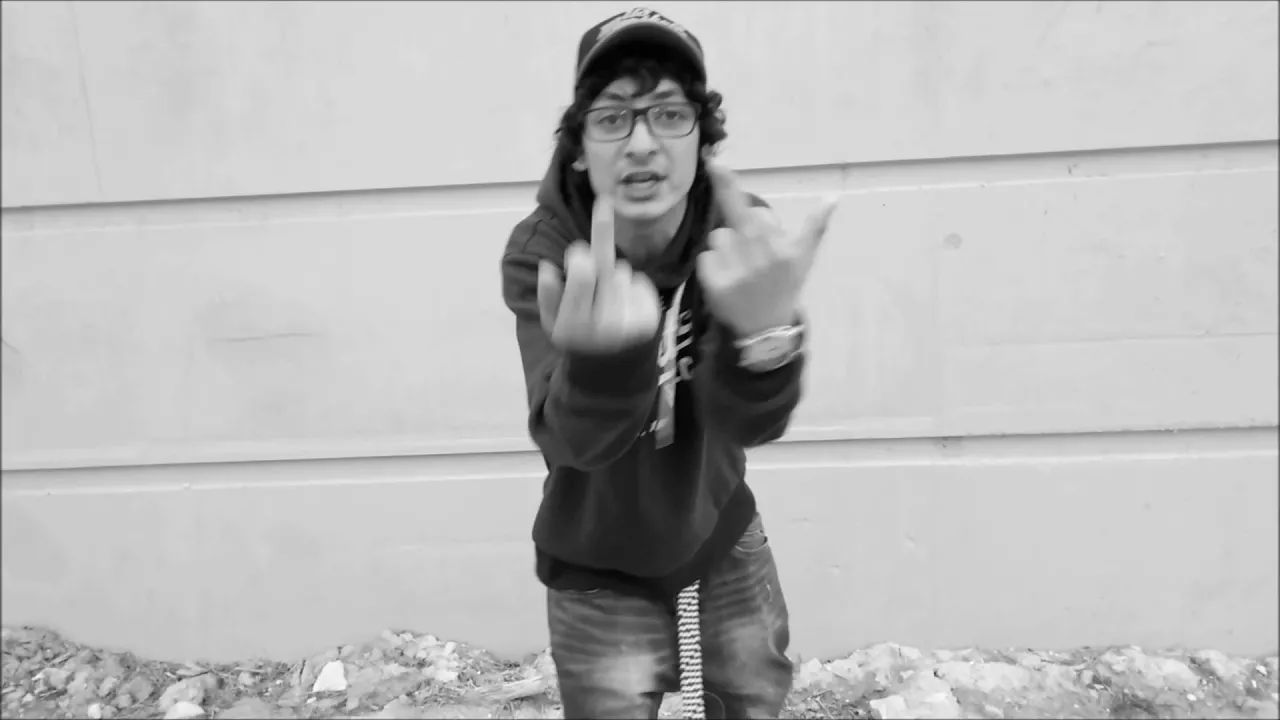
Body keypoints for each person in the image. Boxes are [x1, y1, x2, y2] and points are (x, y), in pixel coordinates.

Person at [498, 7, 837, 719]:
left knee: (752, 699)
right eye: (613, 118)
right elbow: (571, 441)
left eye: (670, 114)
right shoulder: (549, 254)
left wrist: (767, 336)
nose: (642, 143)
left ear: (703, 141)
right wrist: (604, 363)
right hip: (595, 560)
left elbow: (752, 423)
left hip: (719, 532)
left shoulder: (737, 235)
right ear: (580, 148)